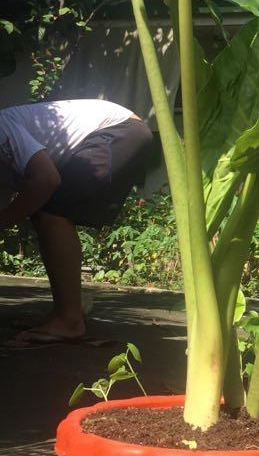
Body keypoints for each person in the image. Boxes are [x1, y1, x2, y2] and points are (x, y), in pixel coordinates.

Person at [0, 99, 154, 343]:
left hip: (120, 130)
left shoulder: (2, 127)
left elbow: (47, 180)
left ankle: (69, 320)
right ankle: (64, 313)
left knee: (50, 211)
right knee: (43, 212)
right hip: (111, 132)